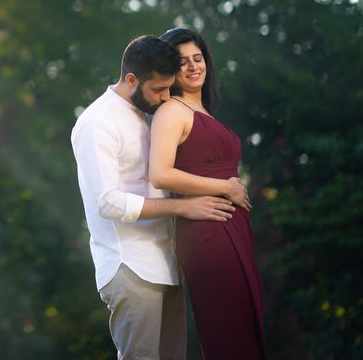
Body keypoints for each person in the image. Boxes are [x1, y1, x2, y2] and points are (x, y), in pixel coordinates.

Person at [71, 35, 240, 360]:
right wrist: (185, 207)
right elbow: (108, 202)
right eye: (159, 90)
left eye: (168, 88)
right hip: (130, 266)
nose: (166, 98)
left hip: (165, 262)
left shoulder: (144, 114)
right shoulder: (97, 123)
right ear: (132, 79)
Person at [150, 28, 267, 359]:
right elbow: (160, 173)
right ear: (170, 70)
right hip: (207, 231)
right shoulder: (171, 110)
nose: (192, 67)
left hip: (230, 227)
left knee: (243, 321)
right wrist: (226, 187)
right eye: (182, 62)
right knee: (227, 329)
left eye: (197, 58)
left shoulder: (202, 112)